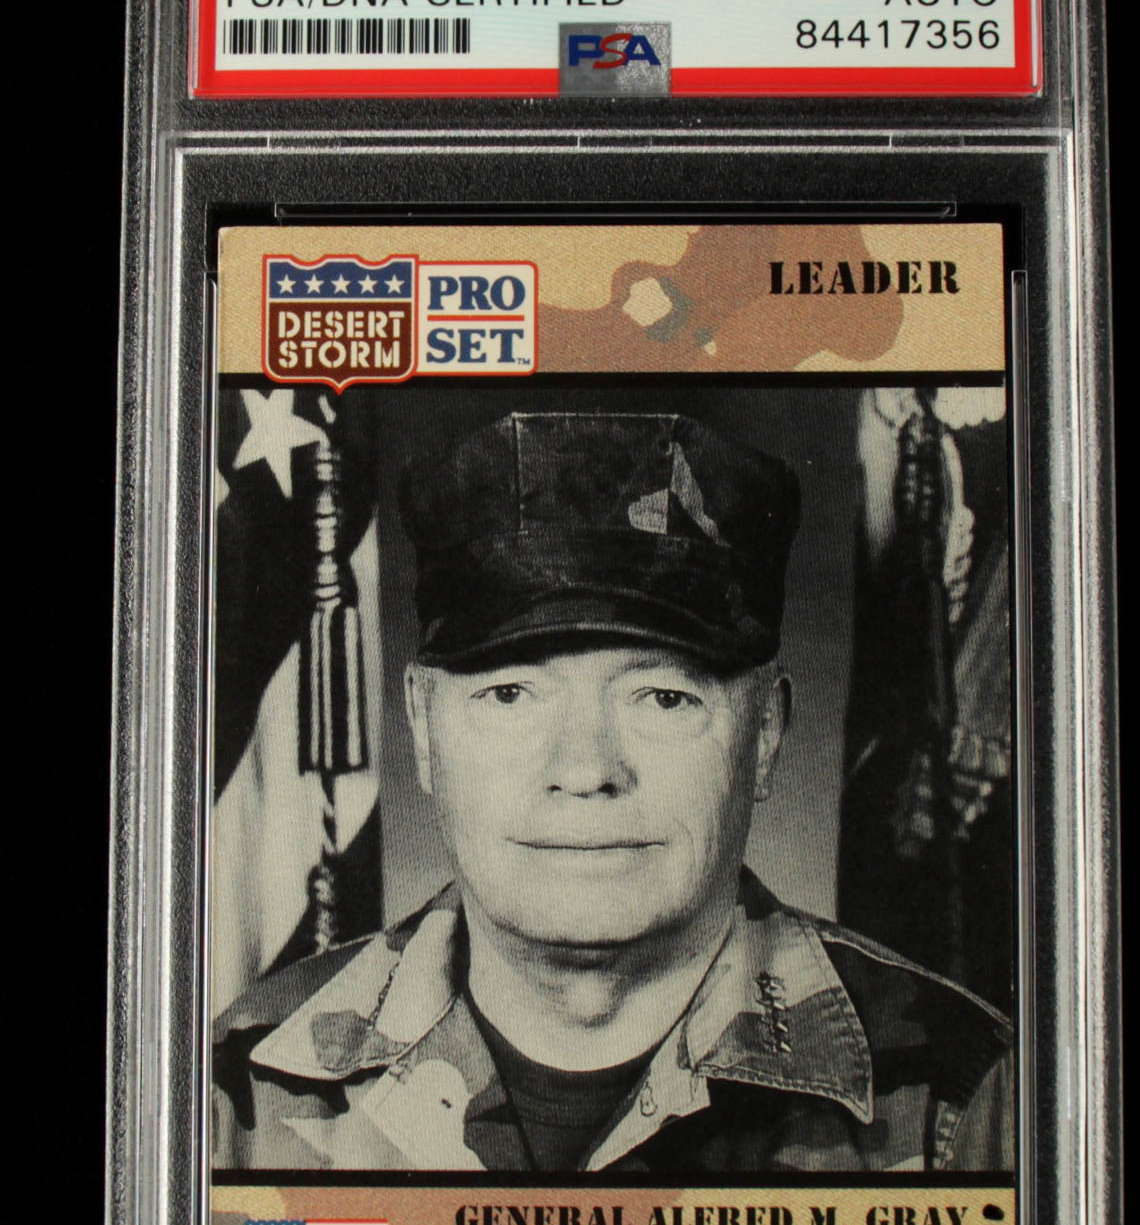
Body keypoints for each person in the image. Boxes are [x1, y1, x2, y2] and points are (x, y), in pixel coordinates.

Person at [213, 408, 1013, 1174]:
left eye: (663, 697)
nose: (586, 768)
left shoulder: (962, 1106)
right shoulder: (241, 1095)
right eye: (510, 694)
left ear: (766, 733)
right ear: (424, 727)